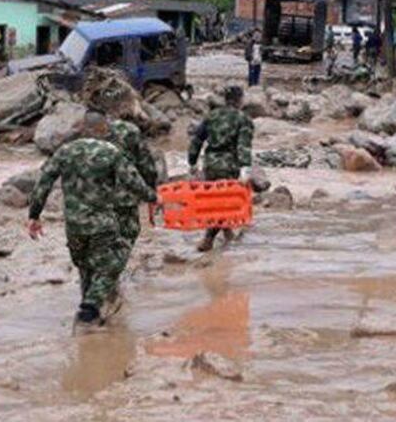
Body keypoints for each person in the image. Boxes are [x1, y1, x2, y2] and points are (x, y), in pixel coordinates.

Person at [27, 112, 157, 325]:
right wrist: (153, 196)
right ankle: (91, 306)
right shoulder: (110, 152)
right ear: (103, 129)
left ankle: (88, 314)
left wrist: (34, 215)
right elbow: (132, 181)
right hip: (102, 223)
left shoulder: (64, 151)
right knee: (113, 262)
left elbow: (43, 183)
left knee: (85, 266)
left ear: (82, 128)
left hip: (74, 225)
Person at [188, 85, 254, 252]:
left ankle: (227, 231)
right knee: (225, 204)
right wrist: (245, 168)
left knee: (214, 201)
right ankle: (208, 239)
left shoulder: (211, 116)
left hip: (210, 164)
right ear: (239, 100)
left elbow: (197, 140)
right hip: (229, 165)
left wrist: (192, 162)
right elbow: (243, 146)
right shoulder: (243, 119)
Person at [108, 119, 159, 250]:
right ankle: (118, 264)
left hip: (94, 194)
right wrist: (151, 189)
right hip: (124, 194)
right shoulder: (130, 130)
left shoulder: (90, 129)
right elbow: (146, 164)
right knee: (129, 231)